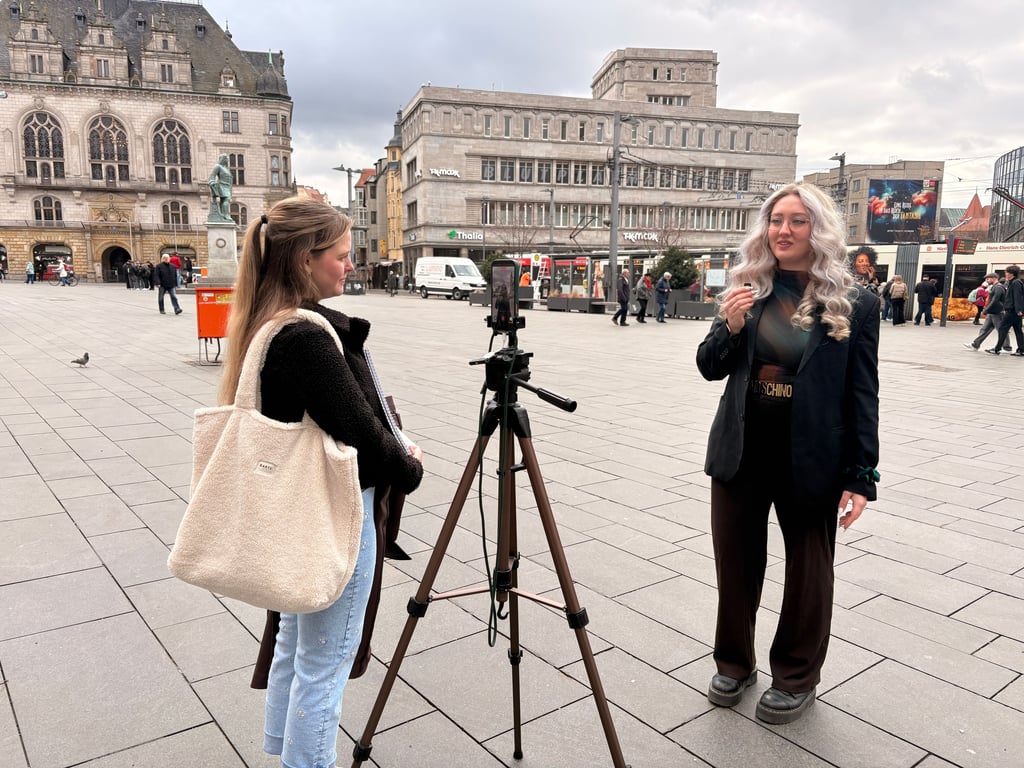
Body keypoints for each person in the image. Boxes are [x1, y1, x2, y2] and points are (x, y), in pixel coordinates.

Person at [221, 198, 422, 768]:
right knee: (325, 663)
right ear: (305, 261)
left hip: (297, 510)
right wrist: (408, 464)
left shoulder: (270, 321)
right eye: (339, 255)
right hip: (331, 511)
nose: (349, 265)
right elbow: (361, 431)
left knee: (293, 645)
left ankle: (285, 757)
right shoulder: (306, 338)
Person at [696, 182, 879, 725]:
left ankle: (796, 676)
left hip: (812, 456)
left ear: (818, 229)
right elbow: (709, 365)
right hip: (742, 450)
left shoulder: (855, 301)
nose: (783, 230)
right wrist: (729, 327)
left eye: (797, 221)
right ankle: (734, 663)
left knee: (809, 573)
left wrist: (861, 473)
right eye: (777, 220)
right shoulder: (747, 287)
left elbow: (862, 390)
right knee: (736, 565)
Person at [963, 274, 1010, 352]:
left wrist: (986, 310)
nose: (986, 281)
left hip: (997, 312)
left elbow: (995, 300)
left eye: (988, 279)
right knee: (985, 329)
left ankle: (1007, 347)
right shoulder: (995, 287)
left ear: (994, 278)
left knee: (1001, 330)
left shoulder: (998, 287)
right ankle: (975, 344)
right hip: (993, 312)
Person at [987, 264, 1024, 356]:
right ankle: (1021, 349)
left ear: (1012, 273)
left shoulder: (1015, 283)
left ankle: (997, 348)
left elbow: (1017, 297)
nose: (1005, 274)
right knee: (1018, 330)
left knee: (1003, 328)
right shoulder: (1013, 282)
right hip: (1014, 311)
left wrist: (1019, 309)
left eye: (1007, 272)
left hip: (1012, 311)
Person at [208, 153, 233, 221]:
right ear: (222, 159)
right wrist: (212, 182)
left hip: (227, 187)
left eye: (227, 158)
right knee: (226, 199)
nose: (227, 160)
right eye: (225, 158)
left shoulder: (226, 168)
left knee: (224, 201)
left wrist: (231, 190)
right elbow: (212, 176)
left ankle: (222, 215)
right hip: (222, 185)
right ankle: (226, 215)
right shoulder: (218, 166)